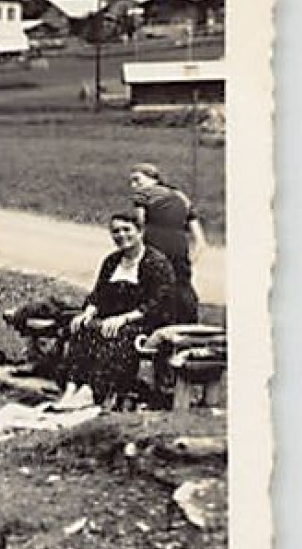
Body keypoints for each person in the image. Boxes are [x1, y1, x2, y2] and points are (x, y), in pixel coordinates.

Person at [54, 211, 177, 410]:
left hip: (145, 321)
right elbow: (98, 294)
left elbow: (159, 303)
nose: (121, 235)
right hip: (111, 318)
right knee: (83, 327)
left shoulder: (156, 263)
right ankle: (71, 388)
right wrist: (89, 311)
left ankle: (92, 390)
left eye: (127, 230)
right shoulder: (112, 261)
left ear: (140, 232)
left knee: (116, 335)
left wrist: (125, 318)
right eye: (116, 231)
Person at [129, 162, 205, 324]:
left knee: (153, 287)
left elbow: (140, 226)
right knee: (182, 287)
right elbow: (200, 241)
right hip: (180, 247)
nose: (133, 185)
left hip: (155, 243)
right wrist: (190, 261)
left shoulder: (143, 195)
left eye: (137, 180)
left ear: (152, 178)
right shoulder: (181, 197)